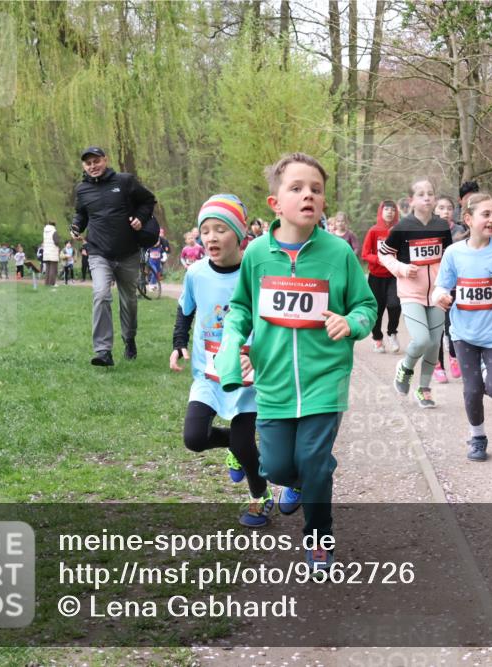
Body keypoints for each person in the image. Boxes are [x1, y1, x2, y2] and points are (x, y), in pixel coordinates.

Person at [215, 152, 377, 574]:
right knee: (278, 466)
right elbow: (241, 309)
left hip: (325, 379)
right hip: (273, 382)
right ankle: (311, 473)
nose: (309, 195)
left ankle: (319, 538)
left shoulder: (338, 253)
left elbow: (366, 305)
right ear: (275, 204)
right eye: (297, 188)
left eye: (316, 190)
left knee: (312, 461)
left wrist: (352, 322)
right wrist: (235, 343)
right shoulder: (256, 257)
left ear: (323, 203)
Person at [171, 194, 274, 527]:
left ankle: (261, 495)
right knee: (194, 438)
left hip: (248, 375)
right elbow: (185, 310)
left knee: (246, 442)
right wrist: (178, 343)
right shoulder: (197, 273)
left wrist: (257, 356)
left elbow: (273, 322)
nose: (211, 237)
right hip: (208, 373)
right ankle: (236, 446)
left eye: (221, 229)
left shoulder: (256, 273)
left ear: (240, 235)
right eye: (205, 231)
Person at [433, 193, 492, 461]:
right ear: (468, 219)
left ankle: (486, 373)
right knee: (472, 389)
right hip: (463, 333)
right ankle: (477, 437)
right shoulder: (454, 253)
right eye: (486, 214)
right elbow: (441, 285)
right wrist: (439, 297)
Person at [69, 146, 156, 366]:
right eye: (88, 163)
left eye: (96, 161)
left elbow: (148, 200)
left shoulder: (124, 181)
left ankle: (129, 338)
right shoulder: (82, 190)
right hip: (99, 252)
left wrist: (140, 218)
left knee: (129, 301)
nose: (93, 166)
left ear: (105, 160)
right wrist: (77, 225)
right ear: (84, 166)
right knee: (100, 294)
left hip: (128, 253)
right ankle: (103, 351)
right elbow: (82, 213)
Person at [379, 178, 454, 408]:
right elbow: (384, 254)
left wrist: (447, 286)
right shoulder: (401, 228)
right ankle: (405, 367)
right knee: (421, 339)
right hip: (411, 293)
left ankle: (424, 389)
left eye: (430, 193)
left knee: (434, 344)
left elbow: (449, 257)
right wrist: (401, 269)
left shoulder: (442, 226)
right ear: (411, 201)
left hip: (437, 293)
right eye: (421, 194)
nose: (427, 197)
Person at [360, 200, 401, 353]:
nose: (389, 212)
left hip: (394, 275)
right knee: (377, 310)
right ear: (381, 212)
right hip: (376, 276)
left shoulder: (399, 230)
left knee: (395, 305)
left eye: (392, 210)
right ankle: (377, 339)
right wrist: (380, 260)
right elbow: (365, 254)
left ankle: (392, 332)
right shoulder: (374, 231)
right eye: (386, 209)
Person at [432, 195, 462, 382]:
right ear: (434, 211)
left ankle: (454, 356)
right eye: (441, 208)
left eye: (449, 208)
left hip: (455, 286)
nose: (445, 211)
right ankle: (437, 365)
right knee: (436, 327)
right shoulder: (425, 231)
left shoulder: (461, 231)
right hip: (432, 286)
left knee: (452, 324)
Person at [42, 222, 60, 288]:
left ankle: (47, 283)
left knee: (47, 269)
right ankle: (52, 283)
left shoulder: (44, 232)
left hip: (46, 252)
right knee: (53, 268)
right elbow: (56, 242)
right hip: (53, 252)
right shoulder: (54, 231)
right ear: (54, 225)